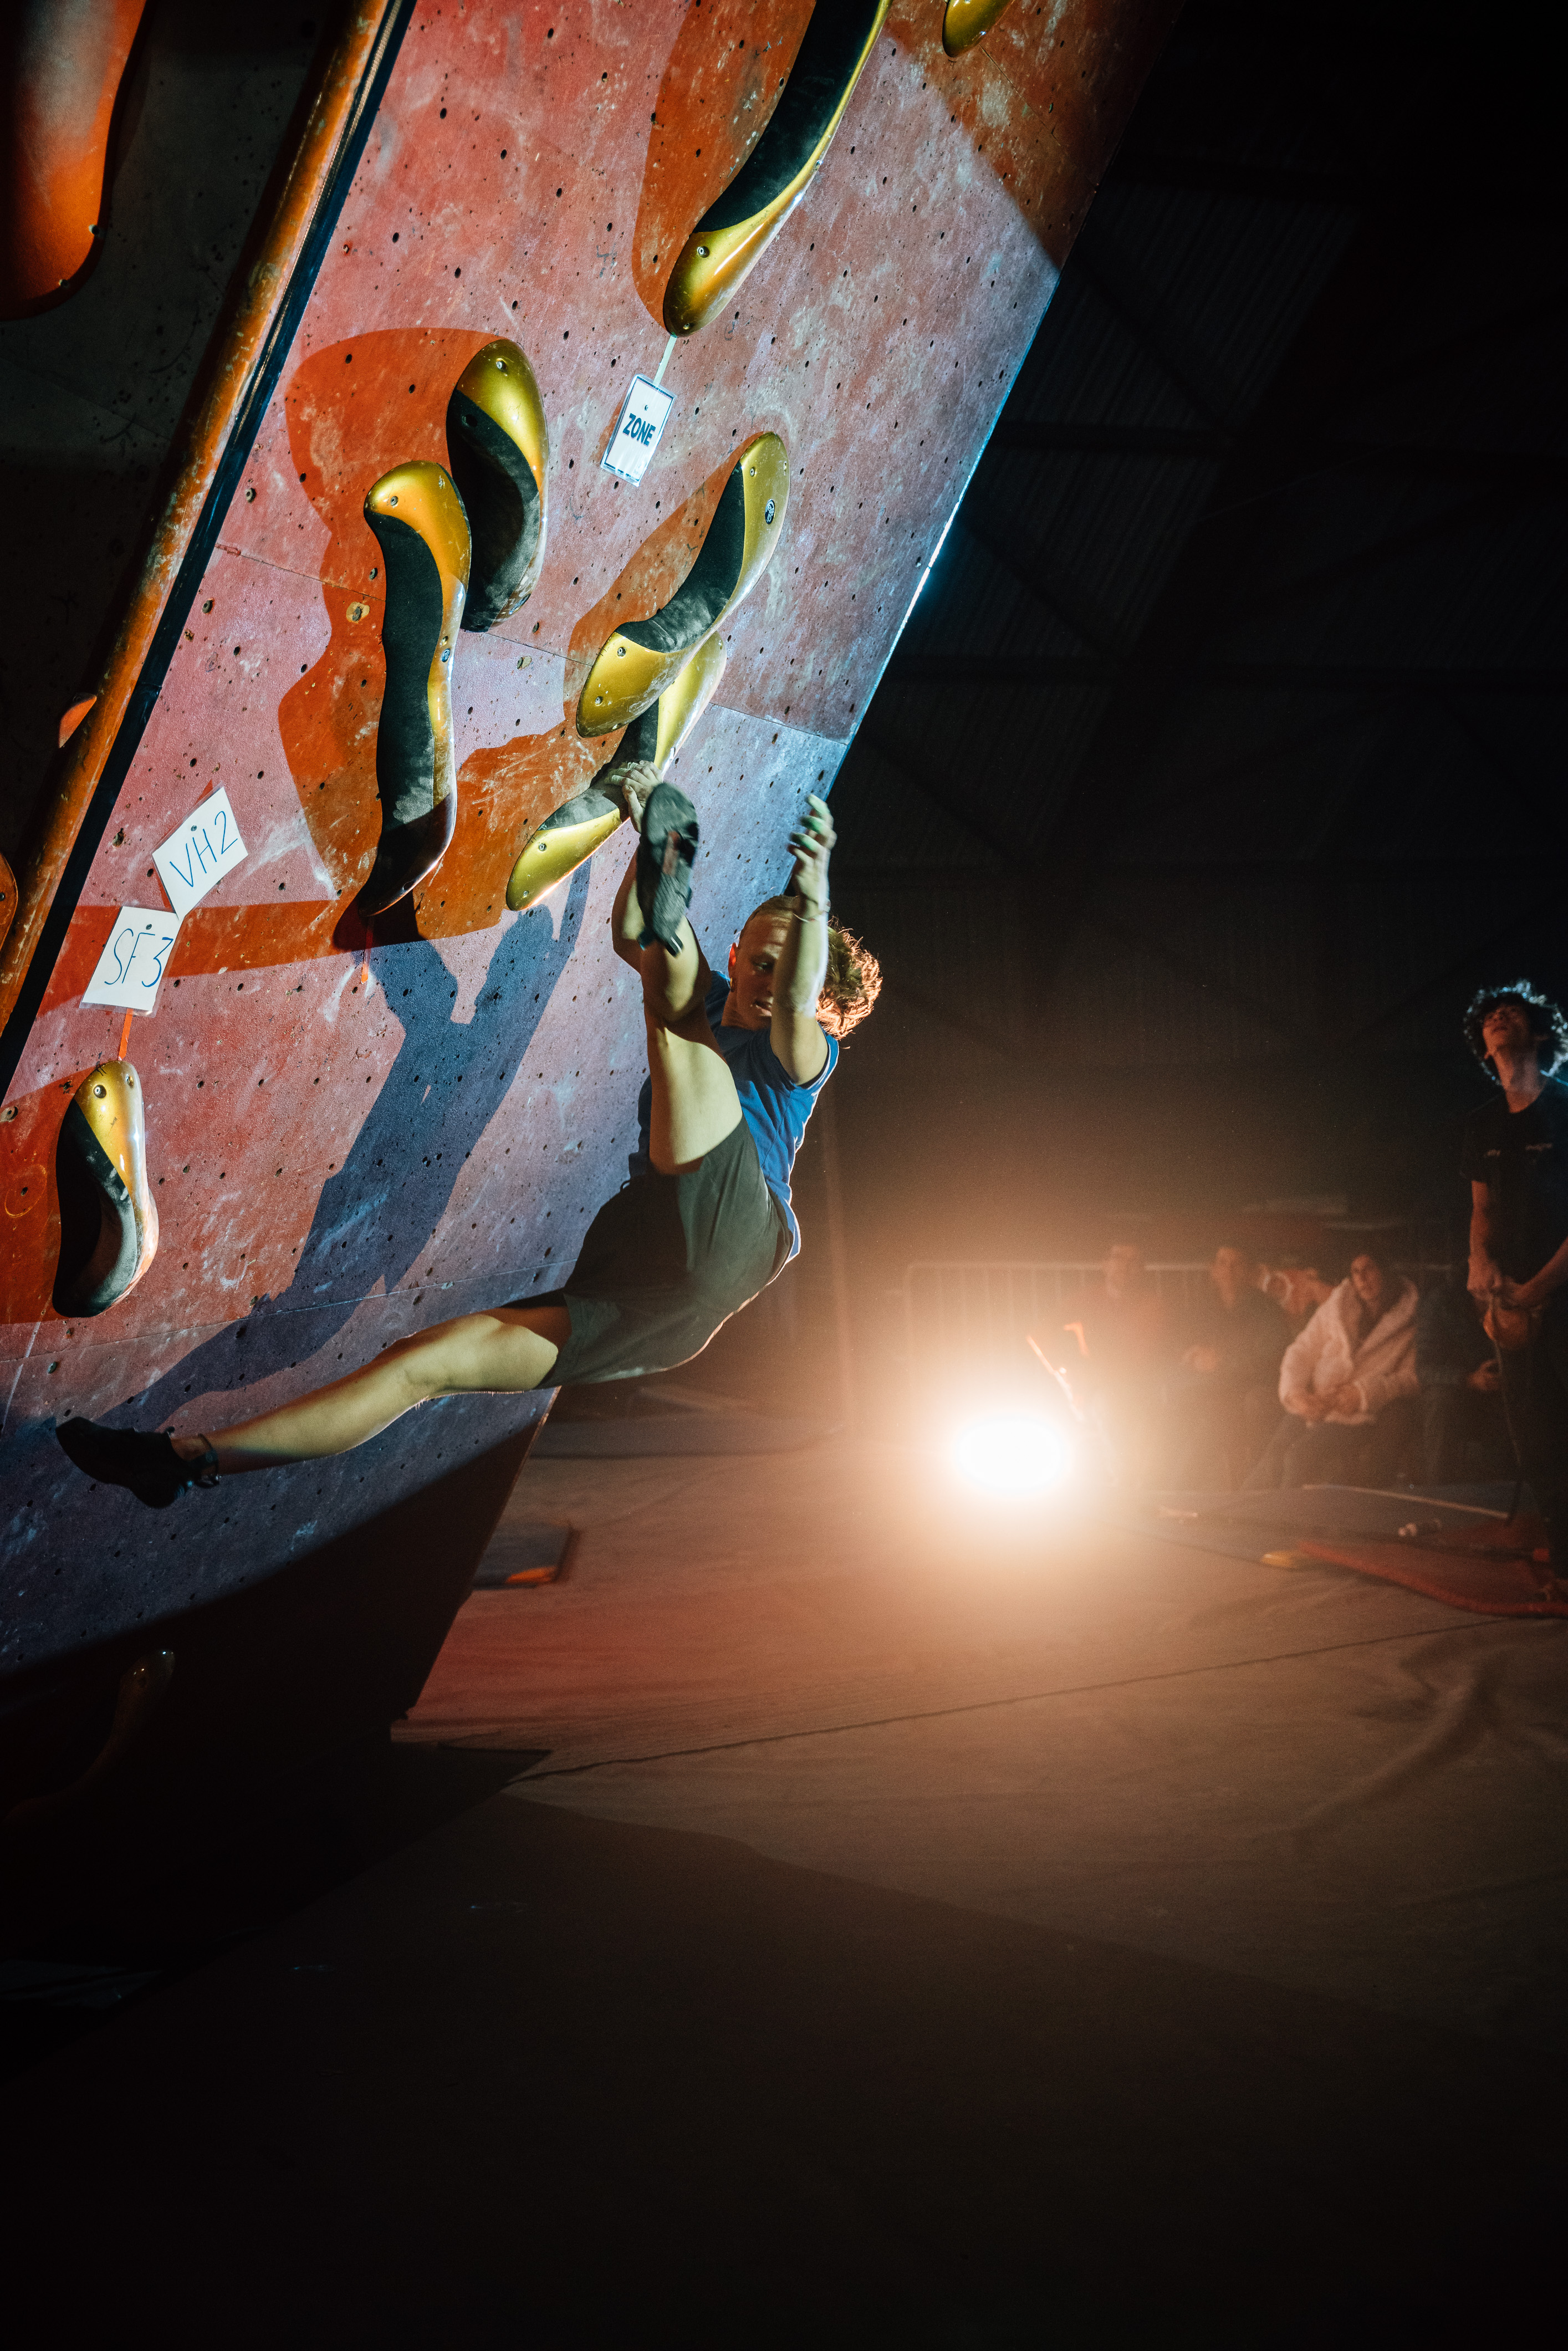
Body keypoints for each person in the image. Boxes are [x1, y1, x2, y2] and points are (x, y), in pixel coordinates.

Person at [57, 767, 880, 1508]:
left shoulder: (802, 1059)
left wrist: (811, 897)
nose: (768, 984)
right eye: (759, 963)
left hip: (737, 1234)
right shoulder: (715, 992)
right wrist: (640, 838)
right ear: (737, 951)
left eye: (786, 971)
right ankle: (186, 1461)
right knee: (425, 1362)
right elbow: (632, 933)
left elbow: (782, 1000)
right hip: (656, 1287)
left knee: (676, 1015)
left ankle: (679, 884)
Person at [1460, 980, 1568, 1572]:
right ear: (1484, 1046)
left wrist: (1540, 1287)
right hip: (1512, 1302)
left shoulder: (1565, 1109)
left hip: (1560, 1290)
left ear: (1540, 1032)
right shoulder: (1482, 1125)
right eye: (1491, 1016)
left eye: (1512, 1011)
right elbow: (1482, 1209)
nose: (1500, 1016)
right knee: (1536, 1439)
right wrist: (1478, 1262)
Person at [1244, 1248, 1418, 1488]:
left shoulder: (1410, 1318)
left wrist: (1363, 1394)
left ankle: (1289, 1514)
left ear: (1385, 1272)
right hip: (1317, 1404)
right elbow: (1302, 1350)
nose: (1362, 1278)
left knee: (1298, 1457)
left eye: (1369, 1269)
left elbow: (1412, 1378)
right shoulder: (1338, 1305)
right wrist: (1295, 1394)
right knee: (1274, 1454)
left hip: (1359, 1416)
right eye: (1355, 1272)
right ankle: (1242, 1509)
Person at [1158, 1243, 1289, 1488]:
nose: (1229, 1270)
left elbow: (1269, 1358)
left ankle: (1194, 1485)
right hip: (1211, 1384)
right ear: (1213, 1270)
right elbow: (1177, 1343)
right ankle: (1166, 1482)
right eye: (1223, 1263)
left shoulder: (1267, 1311)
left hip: (1248, 1384)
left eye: (1237, 1264)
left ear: (1249, 1271)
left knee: (1222, 1408)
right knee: (1176, 1396)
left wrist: (1222, 1361)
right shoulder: (1202, 1307)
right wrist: (1190, 1356)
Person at [1074, 1241, 1170, 1485]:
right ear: (1104, 1264)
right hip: (1100, 1388)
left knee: (1122, 1406)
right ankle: (1123, 1483)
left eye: (1133, 1261)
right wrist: (1065, 1376)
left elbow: (1148, 1356)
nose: (1125, 1266)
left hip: (1139, 1386)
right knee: (1110, 1405)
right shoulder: (1086, 1300)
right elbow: (1041, 1334)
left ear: (1141, 1269)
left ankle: (1134, 1483)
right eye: (1119, 1258)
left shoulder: (1153, 1305)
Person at [1414, 1269, 1509, 1486]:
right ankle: (1438, 1488)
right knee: (1440, 1401)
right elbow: (1425, 1368)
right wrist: (1469, 1379)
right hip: (1459, 1390)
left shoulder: (1515, 1299)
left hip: (1505, 1388)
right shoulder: (1442, 1303)